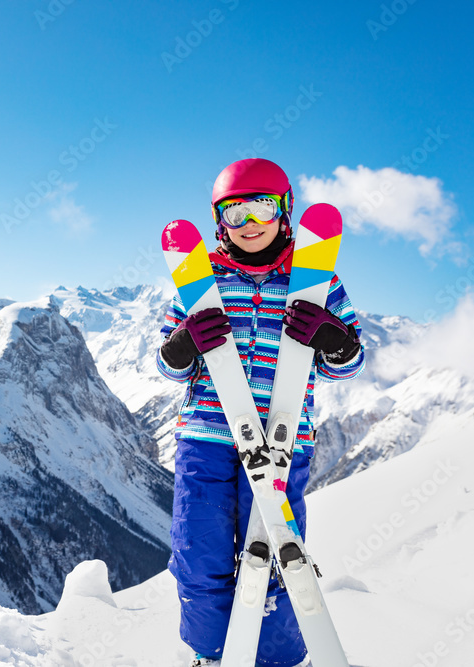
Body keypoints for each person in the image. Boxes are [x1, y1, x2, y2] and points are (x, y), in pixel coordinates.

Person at [156, 158, 365, 667]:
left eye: (261, 209)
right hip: (206, 437)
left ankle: (282, 658)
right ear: (218, 221)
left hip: (283, 440)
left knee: (277, 558)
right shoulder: (200, 281)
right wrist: (182, 346)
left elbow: (350, 363)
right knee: (197, 553)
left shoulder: (316, 280)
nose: (249, 225)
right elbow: (169, 364)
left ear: (284, 211)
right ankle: (211, 653)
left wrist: (335, 341)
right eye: (235, 214)